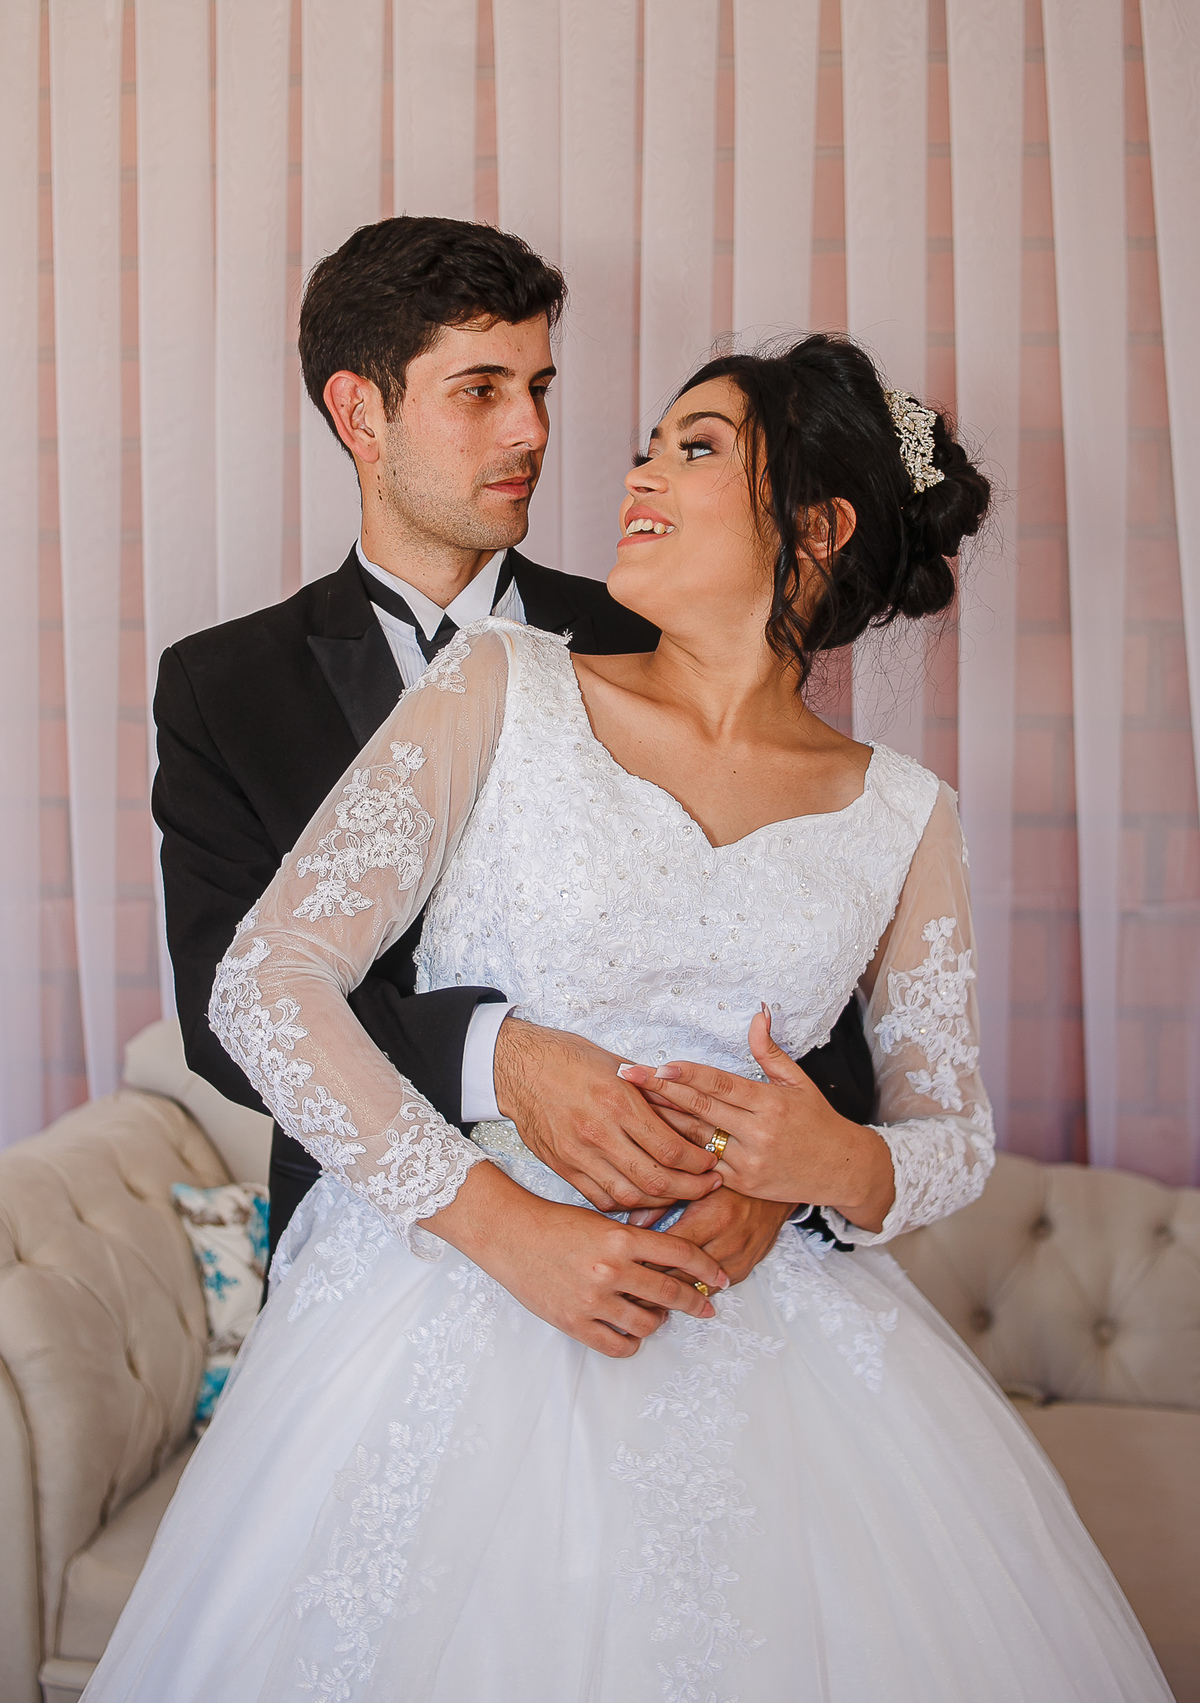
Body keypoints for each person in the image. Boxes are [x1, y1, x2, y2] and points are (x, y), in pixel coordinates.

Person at [86, 335, 1171, 1702]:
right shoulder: (503, 683)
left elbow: (950, 1131)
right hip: (448, 1299)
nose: (637, 473)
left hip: (759, 1335)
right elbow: (264, 982)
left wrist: (829, 1162)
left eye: (696, 447)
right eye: (649, 445)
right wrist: (503, 1223)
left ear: (819, 528)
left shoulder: (903, 814)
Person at [152, 215, 874, 1287]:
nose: (531, 430)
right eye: (480, 390)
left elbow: (819, 967)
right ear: (360, 412)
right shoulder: (225, 687)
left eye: (538, 387)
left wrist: (779, 1179)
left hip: (672, 1263)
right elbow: (228, 1016)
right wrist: (501, 1059)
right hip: (367, 1264)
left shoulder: (656, 633)